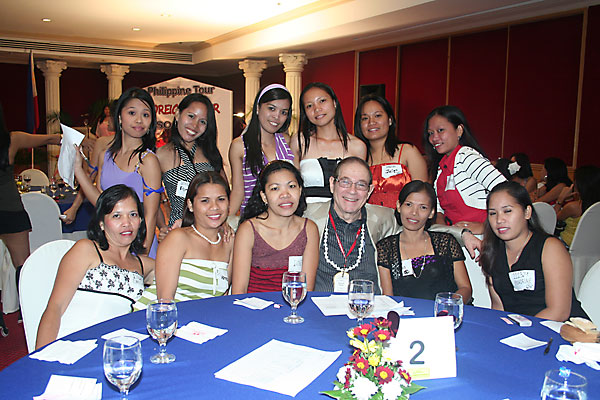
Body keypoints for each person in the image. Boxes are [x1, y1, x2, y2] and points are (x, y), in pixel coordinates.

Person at [36, 185, 155, 348]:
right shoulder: (86, 250)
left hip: (113, 350)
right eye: (116, 216)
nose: (126, 223)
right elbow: (55, 308)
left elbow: (182, 270)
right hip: (71, 345)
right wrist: (42, 355)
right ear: (101, 223)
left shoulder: (143, 265)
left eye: (133, 214)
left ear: (140, 220)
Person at [74, 87, 163, 258]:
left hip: (137, 245)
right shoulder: (105, 156)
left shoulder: (148, 160)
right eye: (132, 113)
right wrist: (78, 170)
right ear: (120, 118)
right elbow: (101, 202)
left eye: (146, 115)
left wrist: (142, 256)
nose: (139, 120)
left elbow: (150, 215)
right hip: (110, 241)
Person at [480, 181, 587, 321]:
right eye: (493, 213)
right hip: (519, 331)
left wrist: (520, 330)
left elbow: (559, 312)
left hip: (562, 328)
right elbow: (498, 308)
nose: (499, 220)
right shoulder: (492, 253)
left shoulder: (550, 248)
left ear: (527, 212)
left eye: (507, 211)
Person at [0, 103, 63, 336]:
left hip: (10, 209)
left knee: (22, 265)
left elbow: (52, 139)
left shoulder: (13, 140)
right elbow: (52, 139)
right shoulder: (12, 140)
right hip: (10, 209)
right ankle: (27, 312)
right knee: (22, 265)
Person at [135, 172, 233, 308]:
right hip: (158, 317)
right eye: (205, 201)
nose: (214, 206)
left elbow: (223, 296)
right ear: (190, 205)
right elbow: (165, 302)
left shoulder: (229, 241)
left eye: (221, 199)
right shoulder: (178, 239)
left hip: (200, 319)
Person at [231, 160, 319, 294]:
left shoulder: (309, 229)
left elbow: (306, 289)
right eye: (275, 188)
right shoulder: (249, 230)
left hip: (293, 304)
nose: (285, 194)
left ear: (300, 190)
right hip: (253, 305)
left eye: (291, 186)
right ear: (264, 196)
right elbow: (239, 291)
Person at [377, 180, 472, 302]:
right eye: (409, 205)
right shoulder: (385, 248)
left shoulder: (445, 242)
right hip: (405, 312)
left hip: (446, 310)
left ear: (431, 212)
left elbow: (465, 288)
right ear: (399, 206)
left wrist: (448, 305)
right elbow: (388, 297)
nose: (414, 213)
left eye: (423, 207)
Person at [423, 105, 506, 235]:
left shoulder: (467, 157)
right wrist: (443, 232)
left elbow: (506, 191)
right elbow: (439, 210)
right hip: (457, 236)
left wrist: (486, 226)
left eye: (440, 130)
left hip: (483, 238)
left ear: (459, 131)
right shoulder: (441, 167)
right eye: (431, 133)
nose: (434, 138)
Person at [157, 93, 224, 230]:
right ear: (177, 114)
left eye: (202, 121)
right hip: (179, 231)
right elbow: (151, 200)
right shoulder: (160, 155)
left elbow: (225, 193)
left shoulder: (210, 154)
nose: (195, 125)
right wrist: (163, 226)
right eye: (191, 116)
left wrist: (225, 222)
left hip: (212, 229)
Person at [292, 82, 367, 203]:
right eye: (309, 106)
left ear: (334, 103)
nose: (317, 109)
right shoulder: (300, 141)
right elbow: (292, 186)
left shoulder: (357, 146)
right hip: (307, 212)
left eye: (322, 101)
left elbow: (360, 190)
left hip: (345, 212)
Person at [229, 84, 296, 215]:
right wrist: (225, 220)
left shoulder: (287, 142)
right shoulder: (240, 146)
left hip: (286, 218)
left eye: (283, 112)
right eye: (271, 108)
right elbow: (238, 191)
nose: (277, 116)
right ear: (258, 108)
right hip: (253, 218)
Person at [354, 94, 428, 209]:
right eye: (365, 118)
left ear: (390, 120)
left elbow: (424, 195)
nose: (371, 122)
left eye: (377, 116)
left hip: (403, 218)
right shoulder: (358, 158)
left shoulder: (408, 151)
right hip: (367, 218)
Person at [555, 165, 600, 247]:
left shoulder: (574, 207)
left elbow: (553, 219)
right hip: (592, 246)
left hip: (568, 245)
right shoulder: (596, 206)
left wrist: (560, 199)